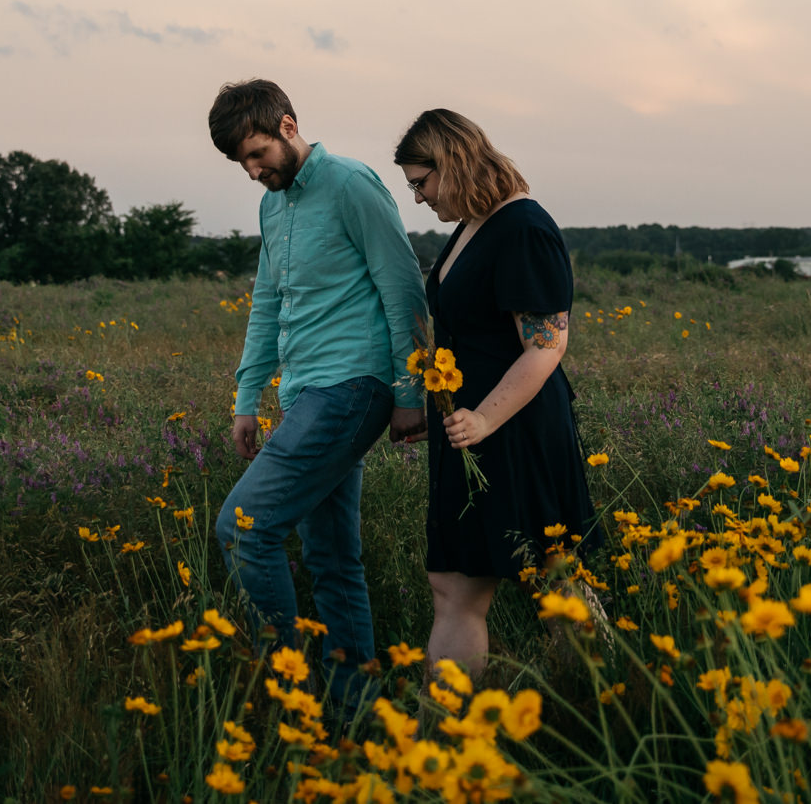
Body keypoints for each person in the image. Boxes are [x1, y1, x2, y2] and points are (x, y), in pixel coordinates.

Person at [209, 79, 428, 702]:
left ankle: (291, 692)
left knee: (244, 528)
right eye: (240, 163)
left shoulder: (351, 184)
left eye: (256, 154)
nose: (252, 172)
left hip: (355, 385)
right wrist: (246, 398)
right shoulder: (272, 205)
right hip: (305, 392)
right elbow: (268, 302)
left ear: (286, 125)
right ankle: (352, 713)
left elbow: (403, 288)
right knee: (331, 556)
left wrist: (409, 391)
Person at [394, 108, 599, 676]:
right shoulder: (474, 225)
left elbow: (546, 346)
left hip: (514, 426)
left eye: (421, 182)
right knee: (458, 581)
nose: (418, 198)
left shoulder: (524, 227)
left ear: (452, 163)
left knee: (550, 574)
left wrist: (483, 419)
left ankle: (606, 696)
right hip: (469, 427)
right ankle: (449, 730)